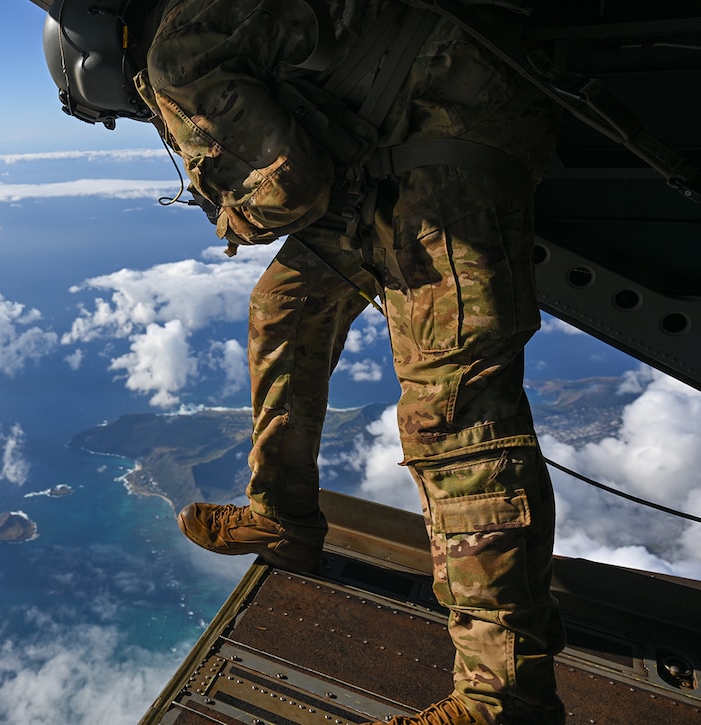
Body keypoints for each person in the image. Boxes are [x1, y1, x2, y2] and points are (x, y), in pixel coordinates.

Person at [42, 1, 565, 722]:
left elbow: (289, 190)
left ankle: (504, 694)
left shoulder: (173, 51)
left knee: (452, 414)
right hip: (399, 134)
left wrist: (230, 213)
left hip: (452, 128)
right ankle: (284, 517)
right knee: (284, 308)